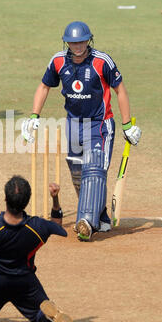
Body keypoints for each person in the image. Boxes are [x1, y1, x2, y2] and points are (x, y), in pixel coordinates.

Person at [21, 21, 142, 242]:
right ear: (66, 42)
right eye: (73, 42)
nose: (78, 46)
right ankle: (99, 215)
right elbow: (44, 86)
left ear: (89, 40)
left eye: (82, 41)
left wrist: (127, 125)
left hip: (100, 123)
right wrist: (34, 117)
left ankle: (86, 222)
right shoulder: (58, 61)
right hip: (74, 123)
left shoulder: (101, 61)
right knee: (78, 172)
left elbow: (120, 90)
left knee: (94, 168)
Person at [0, 176, 75, 322]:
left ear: (5, 198)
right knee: (37, 314)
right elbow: (58, 226)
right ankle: (48, 316)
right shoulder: (38, 227)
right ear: (27, 201)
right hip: (25, 282)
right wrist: (55, 199)